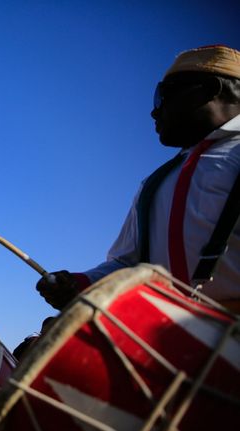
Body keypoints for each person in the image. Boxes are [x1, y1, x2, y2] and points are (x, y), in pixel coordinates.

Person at [37, 45, 240, 313]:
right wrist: (81, 284)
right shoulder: (156, 183)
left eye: (162, 96)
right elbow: (127, 265)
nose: (154, 112)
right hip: (173, 343)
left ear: (210, 89)